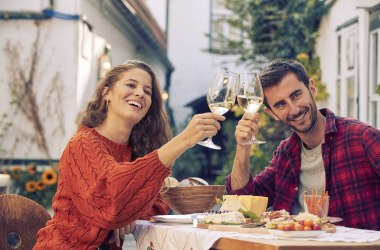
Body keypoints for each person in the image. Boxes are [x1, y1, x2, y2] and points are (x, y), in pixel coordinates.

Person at [34, 60, 225, 249]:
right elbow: (111, 201)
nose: (140, 93)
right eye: (131, 85)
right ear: (106, 93)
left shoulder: (134, 152)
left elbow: (157, 203)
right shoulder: (82, 144)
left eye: (147, 91)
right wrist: (183, 140)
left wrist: (128, 213)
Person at [226, 59, 380, 230]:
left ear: (311, 88)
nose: (294, 110)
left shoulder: (362, 137)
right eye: (281, 104)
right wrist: (243, 147)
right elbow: (242, 205)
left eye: (296, 95)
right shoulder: (285, 153)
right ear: (272, 113)